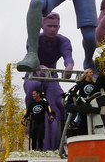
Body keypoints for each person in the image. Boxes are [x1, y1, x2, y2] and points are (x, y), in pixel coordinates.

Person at [22, 12, 73, 151]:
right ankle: (29, 117)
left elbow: (68, 56)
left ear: (59, 27)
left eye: (55, 26)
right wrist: (39, 67)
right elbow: (32, 55)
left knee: (60, 102)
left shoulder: (63, 41)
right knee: (33, 88)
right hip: (34, 74)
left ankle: (63, 131)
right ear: (42, 26)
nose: (52, 29)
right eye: (49, 26)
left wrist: (69, 66)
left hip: (52, 77)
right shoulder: (34, 39)